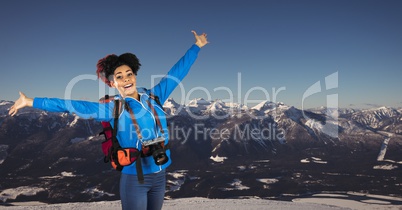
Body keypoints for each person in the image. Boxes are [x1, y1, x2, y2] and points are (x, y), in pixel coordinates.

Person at [9, 30, 209, 210]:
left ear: (135, 76)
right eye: (120, 76)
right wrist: (30, 101)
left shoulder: (155, 96)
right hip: (134, 178)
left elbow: (177, 73)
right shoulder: (113, 108)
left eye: (129, 74)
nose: (126, 79)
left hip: (160, 173)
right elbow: (73, 106)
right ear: (113, 83)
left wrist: (196, 46)